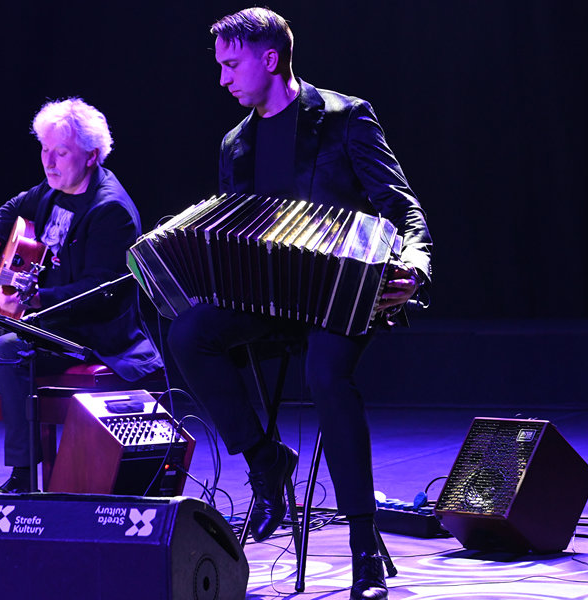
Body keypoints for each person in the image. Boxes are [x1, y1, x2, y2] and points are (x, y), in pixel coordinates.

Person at [167, 8, 431, 600]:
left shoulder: (345, 118)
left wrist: (414, 267)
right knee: (188, 332)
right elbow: (235, 232)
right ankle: (265, 460)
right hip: (269, 298)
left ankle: (364, 543)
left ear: (269, 59)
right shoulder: (235, 144)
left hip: (341, 294)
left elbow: (401, 205)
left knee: (326, 376)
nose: (222, 79)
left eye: (231, 65)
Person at [0, 98, 163, 510]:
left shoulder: (110, 209)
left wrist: (35, 297)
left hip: (86, 334)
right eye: (44, 149)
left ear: (91, 156)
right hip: (32, 322)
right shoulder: (52, 190)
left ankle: (23, 477)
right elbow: (13, 208)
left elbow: (100, 292)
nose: (49, 162)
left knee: (7, 349)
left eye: (61, 152)